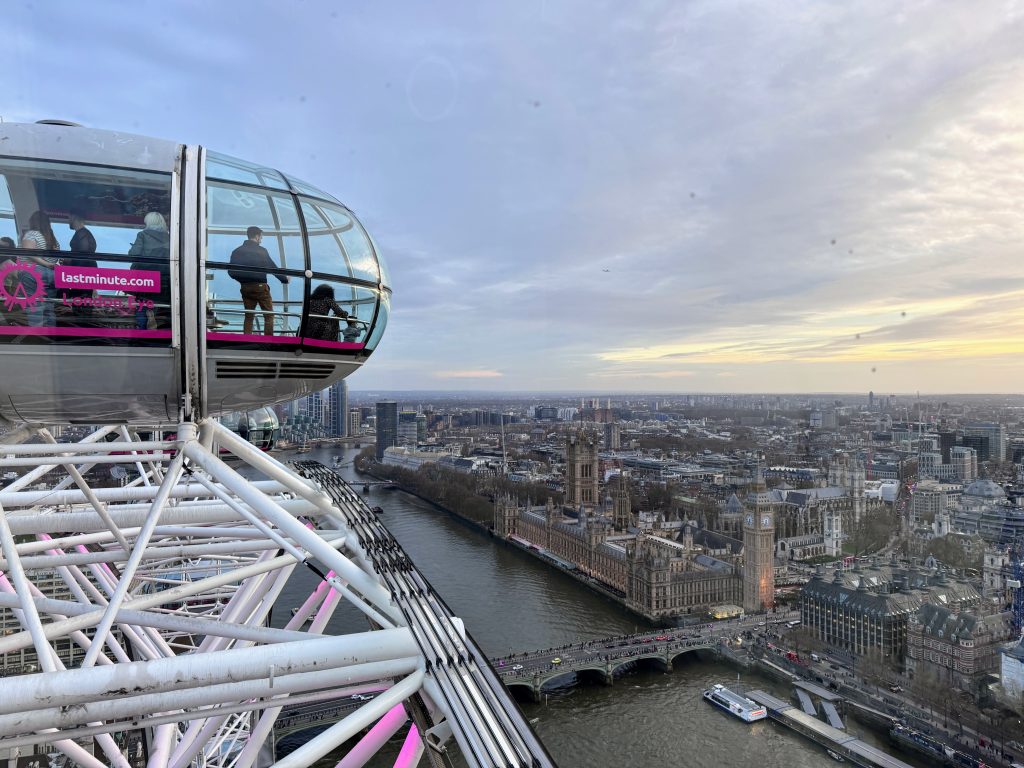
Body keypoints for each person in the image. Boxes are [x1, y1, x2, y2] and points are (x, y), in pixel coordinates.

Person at [228, 226, 289, 335]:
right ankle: (268, 341)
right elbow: (272, 268)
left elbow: (231, 272)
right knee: (269, 315)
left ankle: (246, 340)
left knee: (249, 316)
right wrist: (284, 279)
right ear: (257, 236)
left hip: (245, 287)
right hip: (260, 287)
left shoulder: (237, 251)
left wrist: (243, 280)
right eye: (261, 237)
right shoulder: (262, 251)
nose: (261, 239)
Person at [129, 212, 171, 329]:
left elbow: (133, 254)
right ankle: (160, 336)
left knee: (142, 307)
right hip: (165, 281)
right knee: (161, 310)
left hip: (146, 281)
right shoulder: (170, 237)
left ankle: (142, 335)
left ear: (148, 223)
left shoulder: (142, 235)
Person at [21, 210, 60, 327]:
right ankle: (50, 339)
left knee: (35, 310)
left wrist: (44, 264)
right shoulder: (53, 239)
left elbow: (29, 253)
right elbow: (55, 259)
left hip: (33, 273)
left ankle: (38, 340)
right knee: (49, 309)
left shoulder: (31, 234)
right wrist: (49, 265)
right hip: (52, 275)